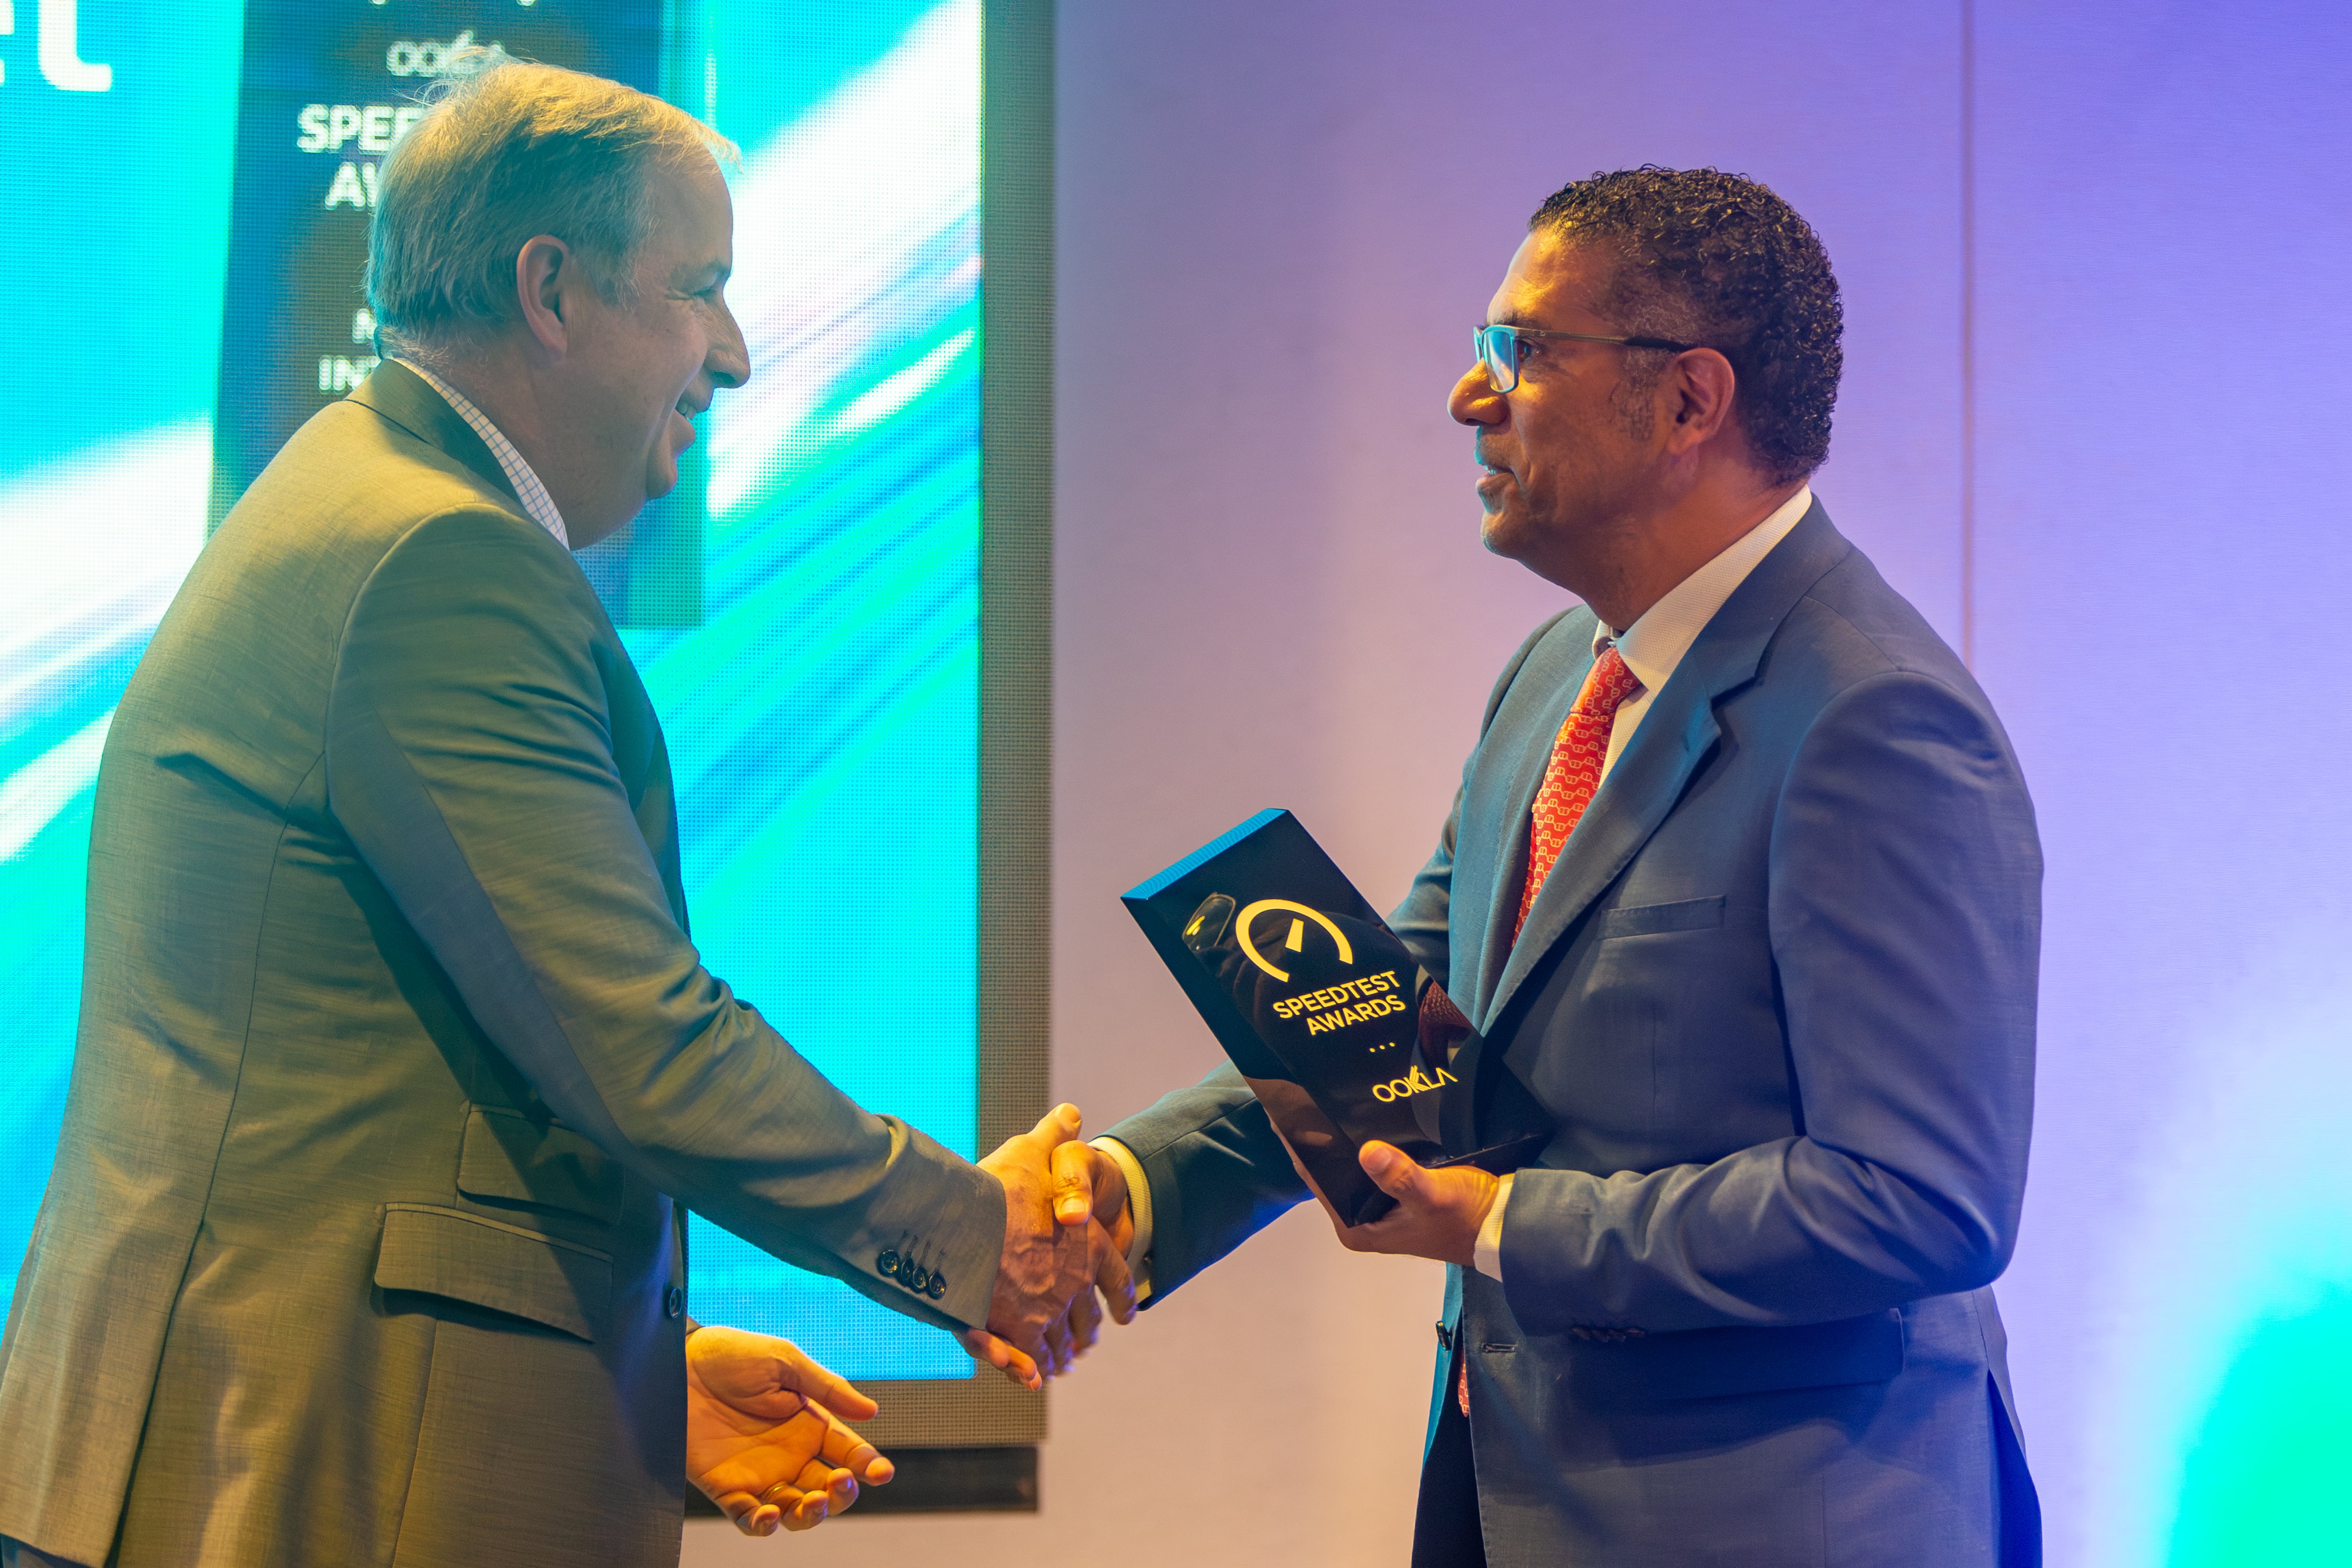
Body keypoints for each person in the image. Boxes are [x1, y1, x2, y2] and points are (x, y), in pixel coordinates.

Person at [0, 57, 1116, 1568]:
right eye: (700, 287)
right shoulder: (436, 563)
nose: (730, 353)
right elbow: (640, 1045)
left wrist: (643, 1364)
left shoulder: (359, 503)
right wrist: (987, 1246)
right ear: (552, 290)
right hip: (296, 1473)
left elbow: (395, 1104)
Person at [1064, 167, 2043, 1566]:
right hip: (1519, 1497)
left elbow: (1918, 1200)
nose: (1472, 398)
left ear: (1688, 403)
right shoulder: (1552, 680)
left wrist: (1515, 1223)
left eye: (1518, 354)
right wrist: (1132, 1185)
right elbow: (1382, 1022)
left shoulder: (1877, 717)